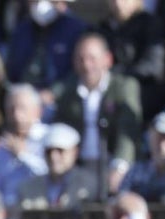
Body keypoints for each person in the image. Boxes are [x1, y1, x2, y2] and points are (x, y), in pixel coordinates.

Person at [50, 32, 144, 196]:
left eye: (92, 58)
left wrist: (120, 166)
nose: (86, 65)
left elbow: (128, 128)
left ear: (107, 59)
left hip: (112, 163)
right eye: (81, 59)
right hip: (79, 167)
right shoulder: (67, 93)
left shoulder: (123, 87)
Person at [96, 0, 165, 117]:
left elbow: (153, 67)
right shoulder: (103, 28)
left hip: (144, 93)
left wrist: (116, 74)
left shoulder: (150, 24)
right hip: (108, 92)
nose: (119, 4)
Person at [4, 0, 87, 103]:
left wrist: (54, 93)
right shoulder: (20, 30)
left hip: (60, 102)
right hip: (25, 100)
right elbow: (11, 71)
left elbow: (80, 71)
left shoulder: (76, 30)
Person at [0, 83, 49, 207]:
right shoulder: (3, 144)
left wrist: (23, 155)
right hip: (7, 209)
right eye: (11, 109)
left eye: (22, 108)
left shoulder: (49, 138)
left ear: (37, 111)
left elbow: (52, 175)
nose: (16, 115)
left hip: (38, 207)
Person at [18, 122, 101, 208]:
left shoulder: (89, 185)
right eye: (49, 151)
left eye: (60, 151)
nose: (53, 157)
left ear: (74, 152)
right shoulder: (29, 187)